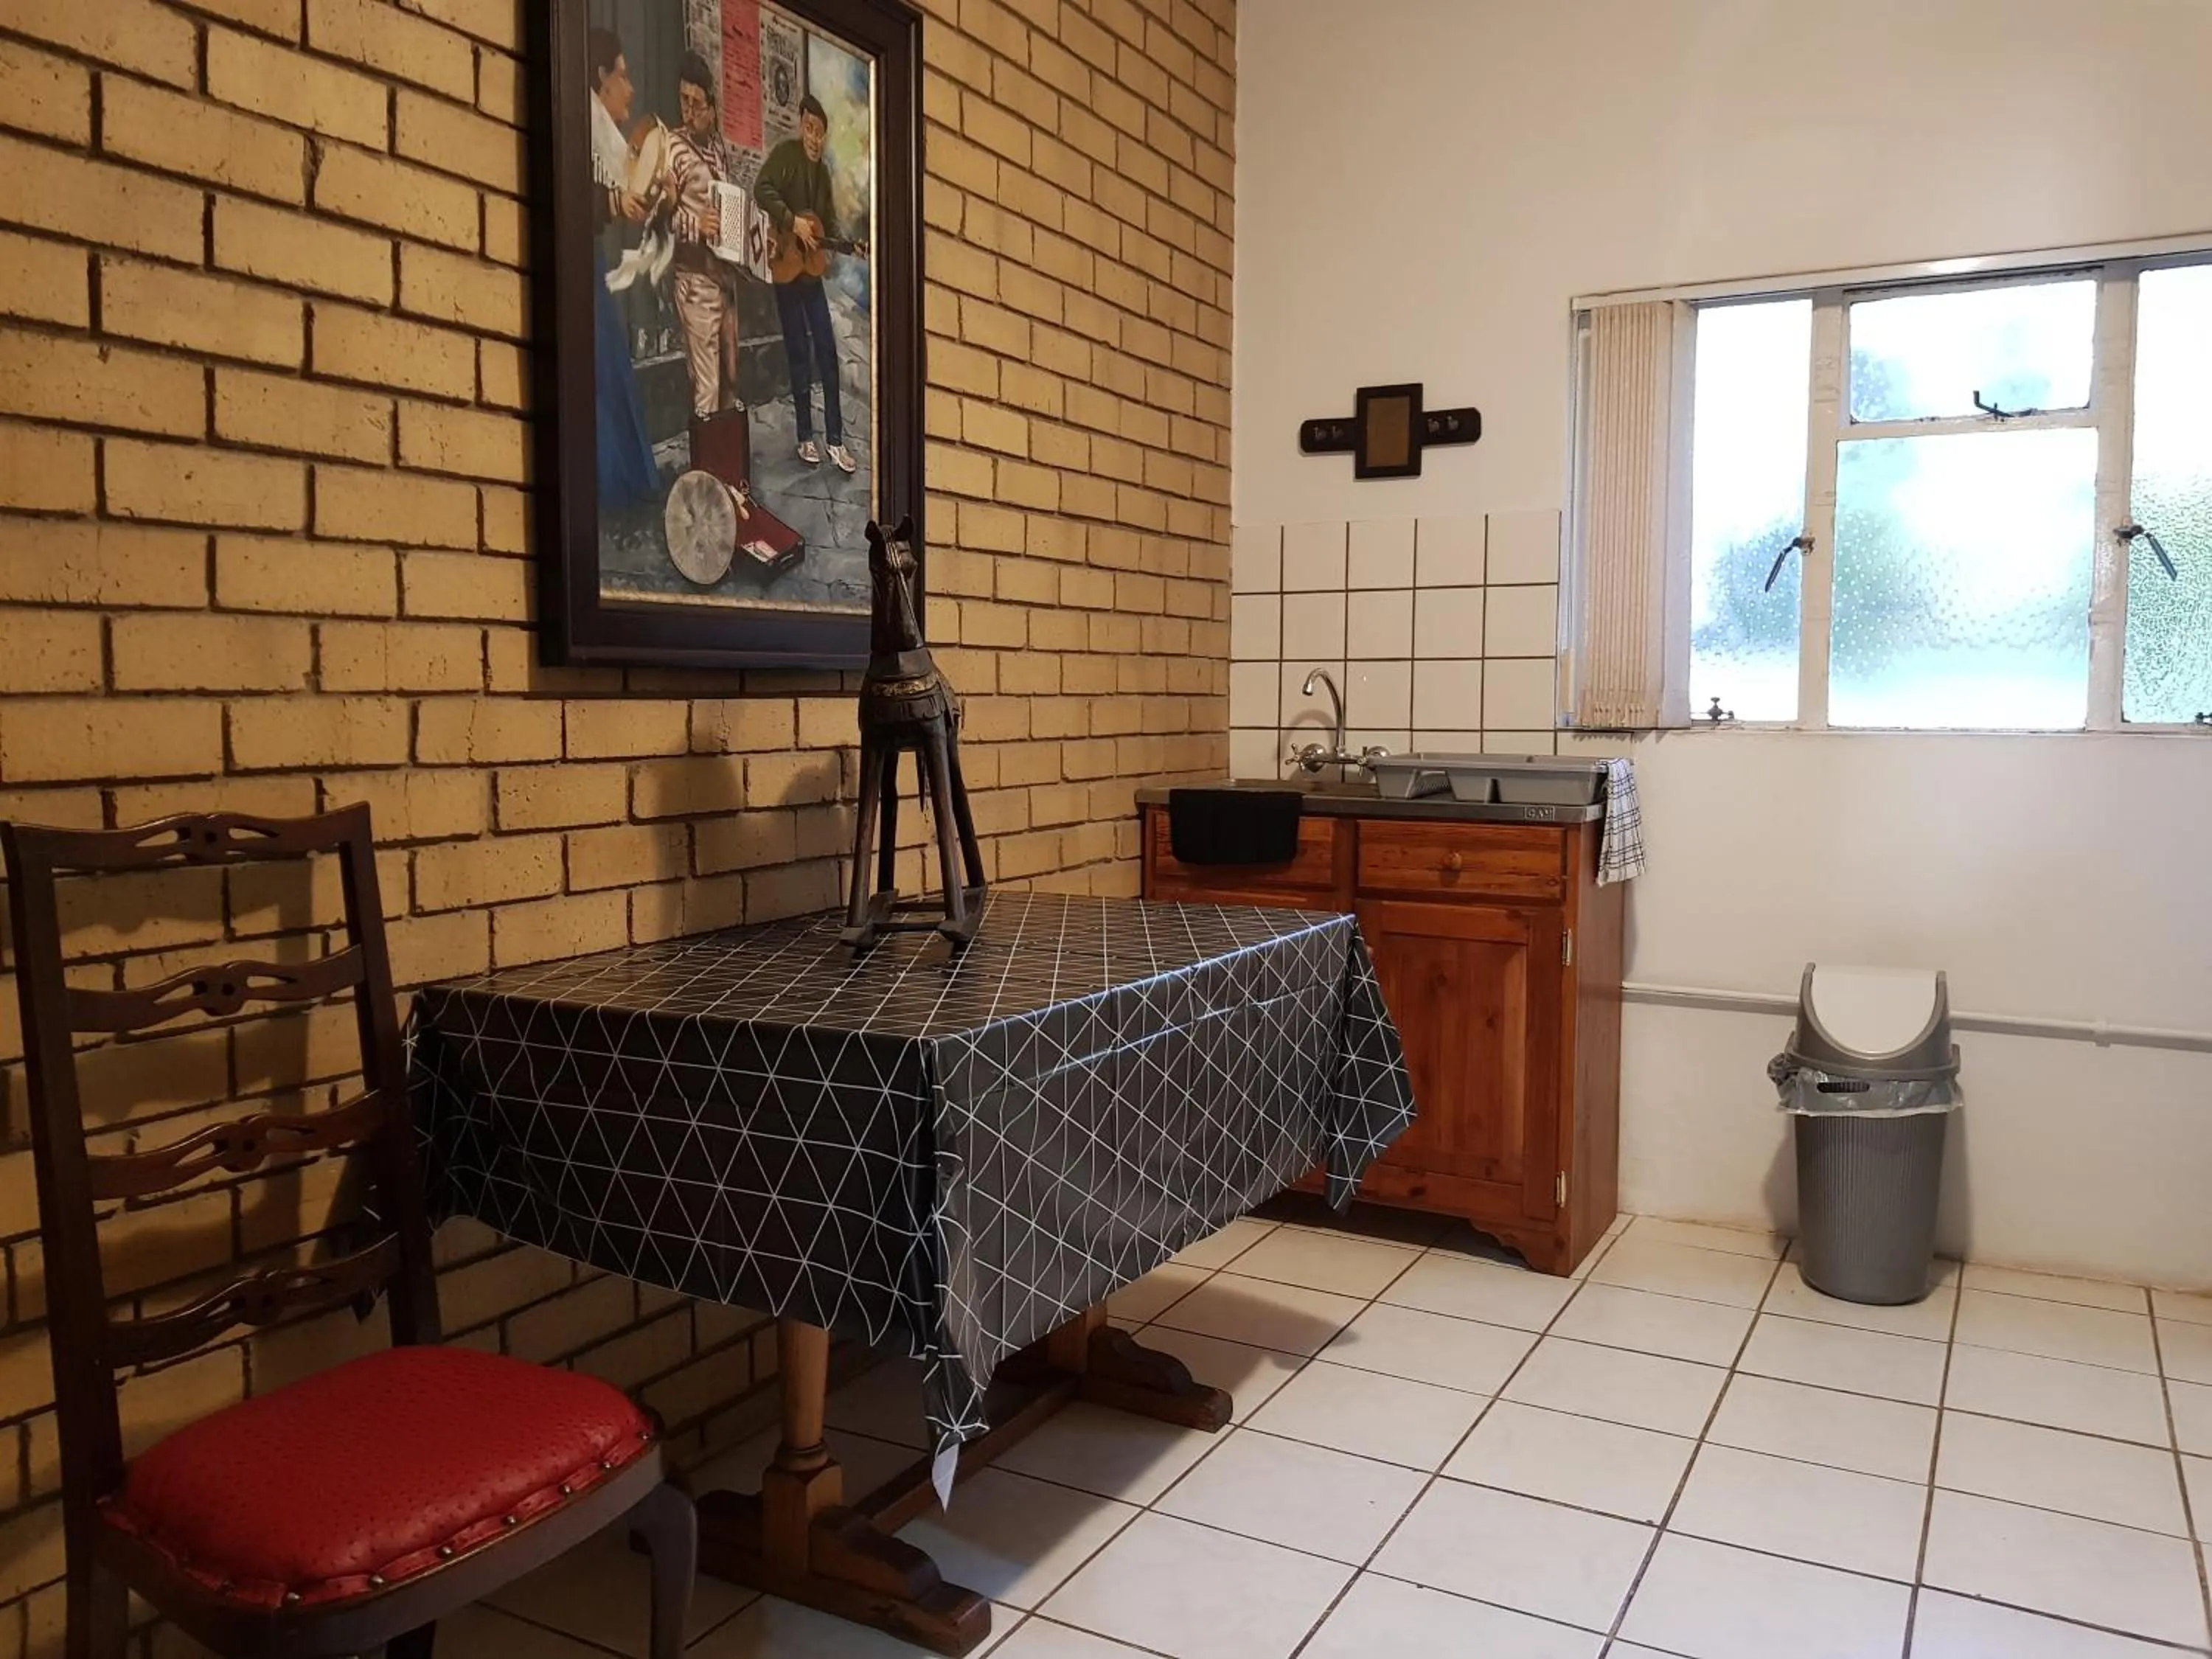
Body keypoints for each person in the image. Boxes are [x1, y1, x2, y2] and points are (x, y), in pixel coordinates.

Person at [754, 94, 856, 474]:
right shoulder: (786, 157)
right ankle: (804, 436)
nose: (814, 138)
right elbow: (762, 189)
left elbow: (826, 219)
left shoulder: (824, 175)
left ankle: (835, 440)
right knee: (798, 354)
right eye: (809, 129)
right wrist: (792, 221)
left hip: (810, 276)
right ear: (801, 127)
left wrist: (840, 246)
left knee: (826, 353)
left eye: (820, 133)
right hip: (785, 271)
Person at [586, 27, 659, 509]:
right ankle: (615, 484)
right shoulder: (581, 121)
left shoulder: (604, 132)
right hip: (580, 266)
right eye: (623, 77)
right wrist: (614, 199)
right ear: (600, 78)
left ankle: (626, 481)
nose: (630, 89)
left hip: (590, 262)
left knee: (607, 363)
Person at [666, 52, 738, 422]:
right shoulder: (672, 148)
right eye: (684, 101)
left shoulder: (719, 149)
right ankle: (706, 477)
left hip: (724, 281)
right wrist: (697, 227)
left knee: (729, 380)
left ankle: (726, 476)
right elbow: (658, 215)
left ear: (712, 107)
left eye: (697, 103)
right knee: (706, 388)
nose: (689, 111)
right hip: (695, 281)